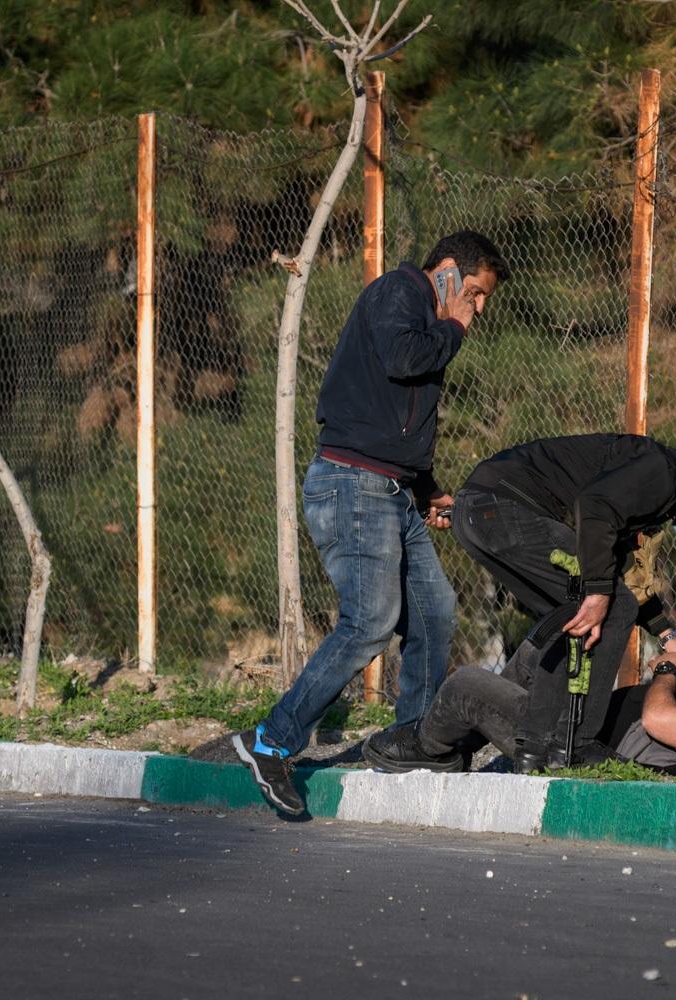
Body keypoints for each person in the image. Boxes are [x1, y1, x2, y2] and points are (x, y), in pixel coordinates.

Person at [232, 231, 509, 815]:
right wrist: (455, 328)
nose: (478, 308)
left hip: (392, 491)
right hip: (352, 485)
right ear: (448, 272)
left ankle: (415, 744)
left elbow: (398, 418)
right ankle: (271, 741)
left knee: (434, 612)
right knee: (369, 623)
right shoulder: (399, 293)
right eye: (475, 293)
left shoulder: (425, 322)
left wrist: (427, 489)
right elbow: (402, 359)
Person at [445, 433, 676, 771]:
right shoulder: (662, 472)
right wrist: (597, 593)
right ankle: (574, 744)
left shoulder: (658, 483)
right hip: (502, 507)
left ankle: (537, 748)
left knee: (574, 612)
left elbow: (619, 570)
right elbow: (594, 507)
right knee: (613, 607)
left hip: (484, 509)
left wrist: (666, 633)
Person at [361, 649, 676, 776]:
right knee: (540, 651)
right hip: (589, 720)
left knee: (466, 684)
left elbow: (659, 721)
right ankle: (458, 742)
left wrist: (667, 668)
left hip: (580, 745)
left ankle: (429, 748)